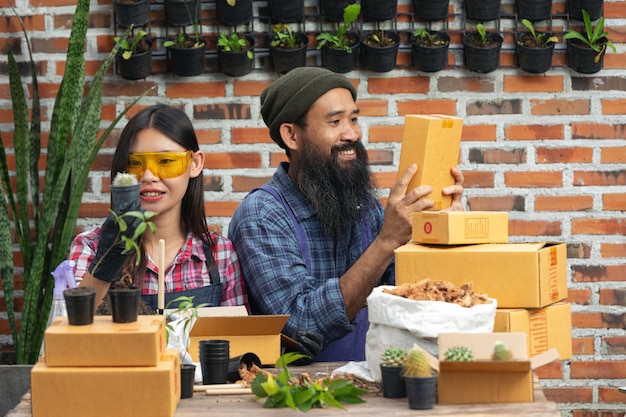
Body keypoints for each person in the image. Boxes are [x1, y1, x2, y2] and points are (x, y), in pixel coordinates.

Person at [228, 67, 464, 362]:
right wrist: (386, 242)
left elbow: (409, 295)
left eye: (354, 119)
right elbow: (301, 325)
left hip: (371, 386)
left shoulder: (364, 207)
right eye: (335, 121)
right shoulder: (262, 216)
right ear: (291, 135)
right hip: (299, 396)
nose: (353, 133)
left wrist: (440, 230)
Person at [71, 104, 248, 312]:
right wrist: (105, 263)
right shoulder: (90, 246)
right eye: (135, 163)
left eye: (165, 161)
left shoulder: (220, 254)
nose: (148, 176)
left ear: (195, 164)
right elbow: (67, 332)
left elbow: (239, 338)